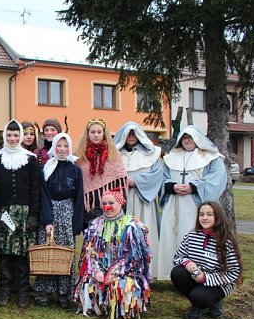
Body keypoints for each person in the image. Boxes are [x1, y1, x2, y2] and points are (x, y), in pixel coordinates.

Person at [158, 125, 227, 280]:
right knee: (171, 235)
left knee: (193, 236)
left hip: (196, 205)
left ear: (197, 139)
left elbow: (216, 180)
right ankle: (172, 273)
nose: (187, 140)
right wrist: (172, 186)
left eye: (190, 137)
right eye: (184, 137)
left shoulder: (211, 158)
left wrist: (193, 187)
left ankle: (195, 274)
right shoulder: (171, 157)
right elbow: (162, 178)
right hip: (174, 203)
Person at [74, 189, 152, 319]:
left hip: (125, 270)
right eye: (104, 204)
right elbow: (89, 252)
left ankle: (120, 311)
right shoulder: (94, 225)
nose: (107, 207)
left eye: (111, 203)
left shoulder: (132, 226)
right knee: (88, 282)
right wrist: (96, 270)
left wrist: (115, 272)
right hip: (101, 268)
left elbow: (135, 258)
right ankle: (97, 306)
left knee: (122, 284)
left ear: (120, 204)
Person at [0, 120, 40, 309]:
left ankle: (24, 292)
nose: (12, 139)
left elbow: (35, 188)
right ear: (4, 136)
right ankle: (4, 291)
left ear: (20, 137)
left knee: (23, 254)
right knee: (6, 254)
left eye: (16, 135)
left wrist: (34, 215)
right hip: (5, 213)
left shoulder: (30, 159)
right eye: (9, 135)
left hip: (24, 213)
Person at [34, 133, 84, 308]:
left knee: (65, 252)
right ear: (53, 147)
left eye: (65, 146)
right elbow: (43, 196)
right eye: (59, 146)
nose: (62, 150)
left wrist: (76, 223)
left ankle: (64, 291)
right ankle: (44, 290)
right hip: (50, 212)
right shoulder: (46, 169)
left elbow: (78, 198)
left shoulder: (75, 170)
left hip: (67, 212)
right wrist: (47, 220)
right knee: (48, 251)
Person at [171, 201, 242, 319]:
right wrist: (188, 263)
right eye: (201, 214)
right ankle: (199, 304)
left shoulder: (226, 241)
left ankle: (213, 303)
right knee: (177, 273)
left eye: (209, 214)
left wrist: (205, 278)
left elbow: (234, 273)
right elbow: (178, 256)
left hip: (219, 283)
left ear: (217, 217)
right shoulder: (192, 235)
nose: (204, 218)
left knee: (199, 296)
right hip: (196, 277)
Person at [113, 121, 163, 278]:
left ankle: (145, 270)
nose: (131, 137)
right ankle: (121, 269)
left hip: (143, 200)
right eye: (128, 134)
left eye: (134, 134)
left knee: (144, 234)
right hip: (121, 200)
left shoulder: (151, 154)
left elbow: (156, 175)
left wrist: (136, 182)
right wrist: (121, 183)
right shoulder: (115, 155)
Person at [75, 118, 128, 226]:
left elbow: (120, 181)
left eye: (99, 132)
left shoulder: (114, 154)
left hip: (110, 206)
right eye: (93, 132)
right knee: (91, 240)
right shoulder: (80, 155)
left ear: (104, 134)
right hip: (89, 207)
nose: (96, 135)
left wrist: (119, 204)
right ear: (88, 134)